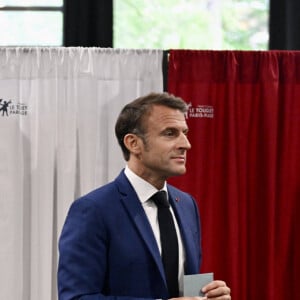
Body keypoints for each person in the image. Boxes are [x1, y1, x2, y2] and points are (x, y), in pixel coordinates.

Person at [57, 92, 231, 300]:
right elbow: (76, 297)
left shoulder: (186, 204)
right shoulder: (93, 210)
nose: (186, 144)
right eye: (170, 133)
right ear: (133, 143)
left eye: (185, 133)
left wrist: (208, 296)